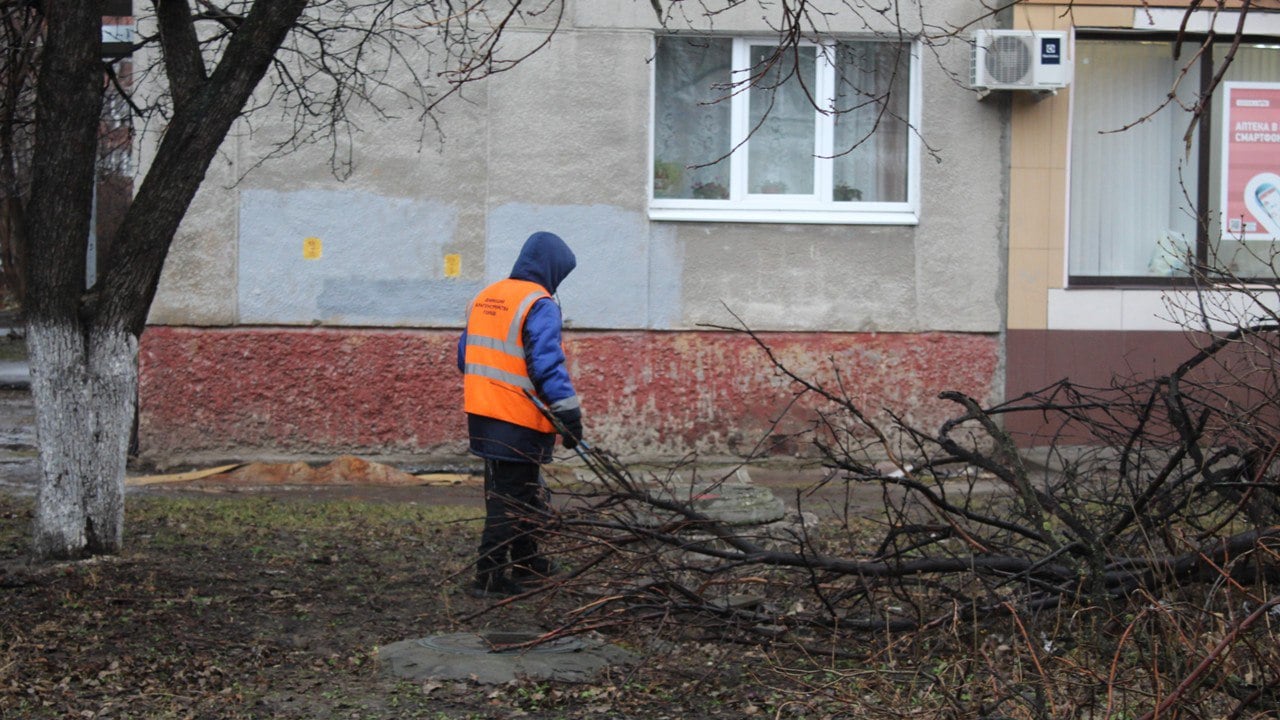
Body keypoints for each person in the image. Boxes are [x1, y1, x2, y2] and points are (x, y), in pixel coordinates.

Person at [458, 231, 583, 599]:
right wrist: (569, 416)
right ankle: (490, 574)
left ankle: (527, 559)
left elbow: (463, 357)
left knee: (521, 490)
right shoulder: (539, 303)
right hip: (516, 417)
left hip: (483, 414)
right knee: (509, 499)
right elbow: (547, 365)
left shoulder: (485, 296)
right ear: (551, 269)